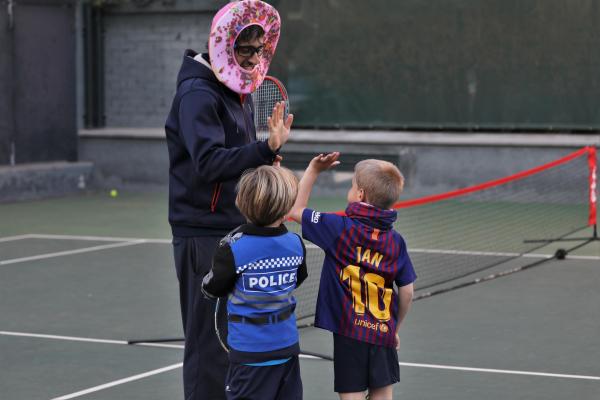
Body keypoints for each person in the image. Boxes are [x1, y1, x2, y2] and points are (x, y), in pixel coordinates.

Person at [164, 1, 291, 399]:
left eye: (259, 49)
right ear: (223, 45)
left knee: (231, 341)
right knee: (207, 345)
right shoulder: (197, 94)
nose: (254, 58)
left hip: (233, 228)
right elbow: (208, 163)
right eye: (245, 50)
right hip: (201, 231)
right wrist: (261, 150)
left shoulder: (240, 89)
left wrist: (265, 157)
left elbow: (240, 155)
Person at [288, 153, 417, 400]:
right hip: (382, 332)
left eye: (352, 185)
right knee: (383, 395)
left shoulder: (338, 228)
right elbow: (407, 292)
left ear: (360, 195)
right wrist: (394, 329)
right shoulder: (396, 241)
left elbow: (296, 210)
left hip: (350, 334)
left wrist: (313, 170)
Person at [201, 165, 306, 400]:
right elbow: (297, 279)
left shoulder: (233, 248)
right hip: (287, 347)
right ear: (286, 207)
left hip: (250, 353)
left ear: (243, 202)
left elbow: (212, 287)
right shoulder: (295, 244)